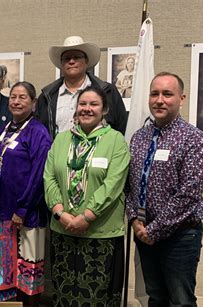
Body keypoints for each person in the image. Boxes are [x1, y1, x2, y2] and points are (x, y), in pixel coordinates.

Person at [126, 72, 203, 306]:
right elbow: (131, 185)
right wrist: (134, 219)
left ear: (181, 98)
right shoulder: (139, 138)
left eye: (167, 94)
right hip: (143, 232)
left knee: (180, 300)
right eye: (154, 94)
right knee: (155, 297)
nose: (159, 100)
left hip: (180, 235)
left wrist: (154, 230)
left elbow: (189, 193)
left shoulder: (194, 138)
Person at [44, 86, 130, 306]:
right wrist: (60, 212)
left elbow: (113, 184)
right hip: (62, 230)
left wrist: (87, 216)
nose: (87, 109)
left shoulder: (116, 140)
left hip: (100, 233)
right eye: (83, 104)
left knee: (97, 296)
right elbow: (49, 178)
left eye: (94, 104)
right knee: (64, 293)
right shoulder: (62, 139)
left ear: (104, 110)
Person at [0, 82, 51, 306]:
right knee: (3, 271)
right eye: (13, 96)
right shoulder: (6, 129)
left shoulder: (38, 132)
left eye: (22, 97)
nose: (15, 101)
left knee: (27, 273)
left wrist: (22, 208)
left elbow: (39, 174)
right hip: (0, 211)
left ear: (33, 103)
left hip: (26, 215)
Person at [35, 36, 127, 139]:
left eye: (77, 57)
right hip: (57, 153)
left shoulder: (107, 92)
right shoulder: (46, 97)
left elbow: (121, 127)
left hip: (98, 154)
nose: (71, 61)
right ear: (61, 64)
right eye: (67, 58)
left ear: (86, 60)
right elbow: (38, 133)